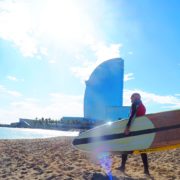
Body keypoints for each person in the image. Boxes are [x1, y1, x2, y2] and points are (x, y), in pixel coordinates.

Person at [118, 93, 150, 175]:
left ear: (135, 97)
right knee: (142, 149)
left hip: (134, 129)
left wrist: (127, 127)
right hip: (141, 129)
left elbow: (132, 116)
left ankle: (122, 166)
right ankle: (146, 170)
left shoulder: (135, 103)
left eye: (131, 98)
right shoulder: (141, 104)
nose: (130, 99)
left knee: (126, 146)